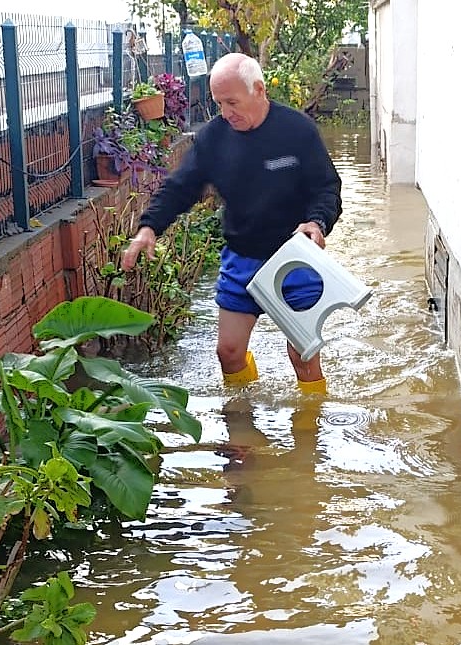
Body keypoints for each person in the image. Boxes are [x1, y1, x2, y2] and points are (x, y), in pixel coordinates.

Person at [120, 52, 343, 393]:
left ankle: (310, 435)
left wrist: (317, 222)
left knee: (303, 355)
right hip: (242, 257)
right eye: (219, 103)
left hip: (295, 257)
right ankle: (243, 421)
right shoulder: (214, 138)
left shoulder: (297, 130)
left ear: (259, 89)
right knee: (228, 352)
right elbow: (181, 186)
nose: (226, 113)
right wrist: (149, 227)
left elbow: (326, 188)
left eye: (232, 102)